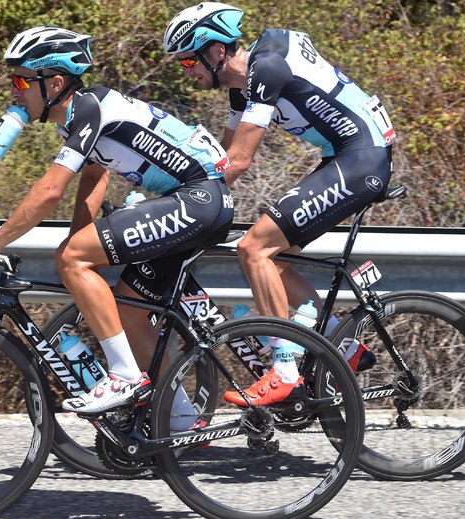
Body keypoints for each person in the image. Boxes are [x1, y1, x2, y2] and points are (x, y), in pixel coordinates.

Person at [0, 26, 234, 415]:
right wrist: (75, 242)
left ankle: (124, 375)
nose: (14, 91)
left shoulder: (90, 109)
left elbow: (50, 191)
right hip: (200, 201)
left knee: (74, 257)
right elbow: (94, 175)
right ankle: (181, 420)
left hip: (198, 199)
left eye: (21, 79)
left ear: (55, 82)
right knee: (130, 310)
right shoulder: (75, 115)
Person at [163, 3, 396, 406]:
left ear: (216, 51)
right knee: (276, 256)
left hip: (362, 158)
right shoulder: (246, 81)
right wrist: (177, 188)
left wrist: (174, 205)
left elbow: (238, 162)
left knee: (255, 249)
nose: (188, 71)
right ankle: (343, 346)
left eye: (188, 60)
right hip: (348, 155)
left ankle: (285, 370)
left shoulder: (264, 69)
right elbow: (220, 156)